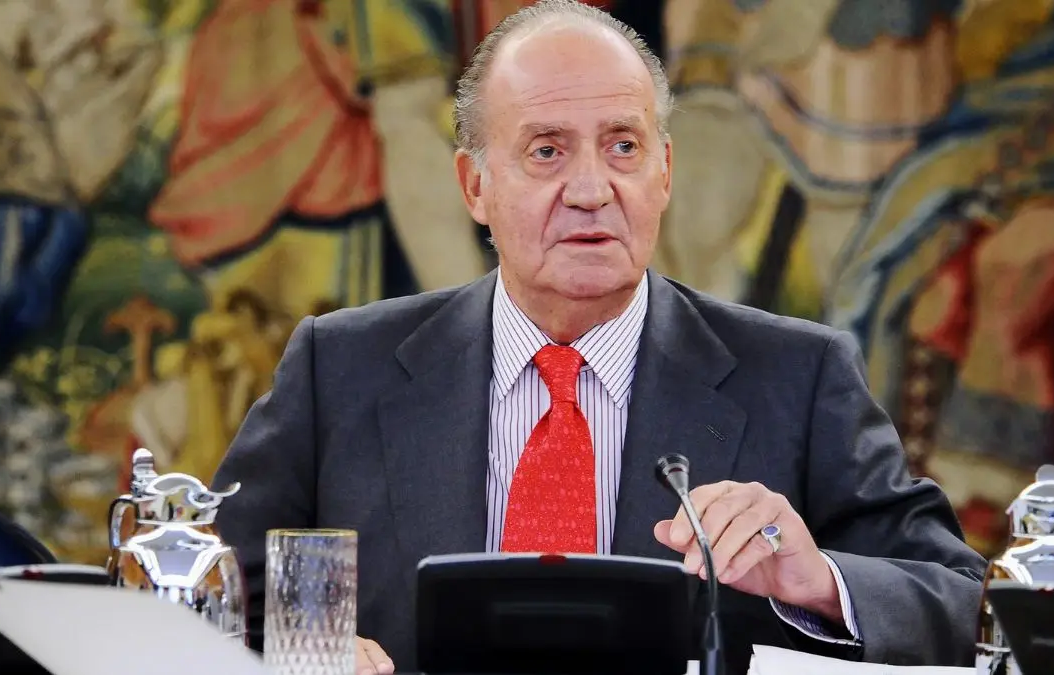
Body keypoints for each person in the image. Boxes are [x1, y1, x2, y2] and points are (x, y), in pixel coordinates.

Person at [212, 2, 988, 673]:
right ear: (475, 185)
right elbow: (206, 599)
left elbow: (961, 603)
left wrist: (818, 580)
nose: (591, 189)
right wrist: (299, 651)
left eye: (623, 146)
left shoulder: (799, 376)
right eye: (547, 150)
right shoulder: (339, 369)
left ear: (664, 172)